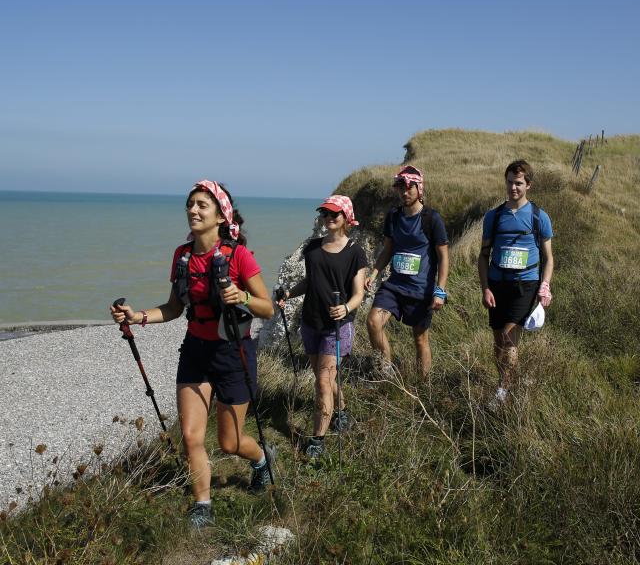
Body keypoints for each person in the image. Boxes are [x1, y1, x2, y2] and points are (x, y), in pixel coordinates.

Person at [110, 180, 275, 529]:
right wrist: (138, 317)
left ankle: (261, 459)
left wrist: (241, 297)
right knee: (190, 436)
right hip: (195, 352)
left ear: (220, 215)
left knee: (229, 443)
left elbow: (268, 309)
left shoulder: (239, 256)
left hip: (233, 354)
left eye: (202, 205)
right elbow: (172, 308)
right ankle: (203, 503)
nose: (193, 210)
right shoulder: (182, 256)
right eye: (190, 204)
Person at [277, 195, 367, 461]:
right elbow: (310, 281)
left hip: (337, 326)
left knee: (322, 383)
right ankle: (341, 410)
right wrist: (289, 294)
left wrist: (346, 308)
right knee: (322, 377)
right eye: (325, 213)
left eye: (334, 214)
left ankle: (317, 439)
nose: (328, 218)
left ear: (346, 219)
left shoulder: (355, 252)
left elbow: (359, 293)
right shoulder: (313, 248)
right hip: (311, 322)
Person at [478, 160, 554, 404]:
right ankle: (505, 381)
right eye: (510, 182)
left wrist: (545, 285)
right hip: (497, 285)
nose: (513, 187)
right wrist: (485, 288)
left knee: (510, 338)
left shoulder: (539, 217)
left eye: (519, 183)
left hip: (526, 285)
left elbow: (549, 258)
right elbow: (483, 256)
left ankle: (502, 391)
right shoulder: (494, 217)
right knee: (498, 341)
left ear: (528, 185)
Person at [365, 165, 449, 379]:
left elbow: (443, 257)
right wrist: (374, 274)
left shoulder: (432, 219)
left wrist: (440, 291)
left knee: (420, 339)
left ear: (419, 189)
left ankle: (424, 385)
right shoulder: (393, 217)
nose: (404, 192)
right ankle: (387, 370)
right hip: (394, 287)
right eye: (400, 188)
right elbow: (388, 250)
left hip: (421, 290)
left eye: (410, 188)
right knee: (373, 322)